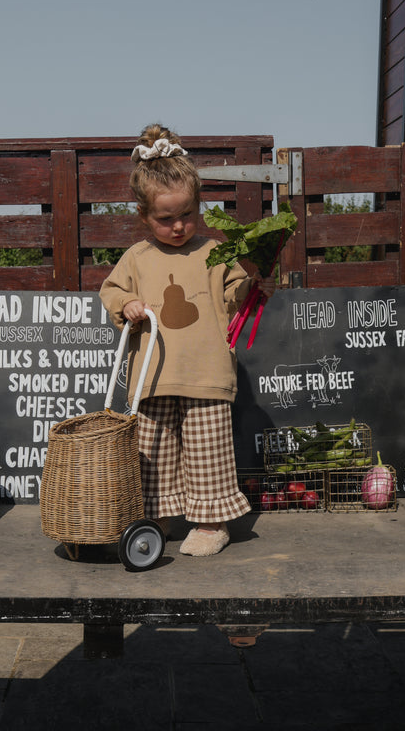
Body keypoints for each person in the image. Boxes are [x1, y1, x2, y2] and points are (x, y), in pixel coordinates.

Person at [99, 123, 276, 557]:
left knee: (208, 454)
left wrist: (251, 284)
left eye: (188, 215)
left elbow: (235, 295)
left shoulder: (215, 252)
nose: (179, 226)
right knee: (152, 453)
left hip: (205, 373)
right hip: (153, 378)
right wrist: (129, 305)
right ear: (144, 216)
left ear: (200, 206)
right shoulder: (136, 258)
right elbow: (111, 291)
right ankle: (157, 519)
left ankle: (212, 523)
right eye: (165, 219)